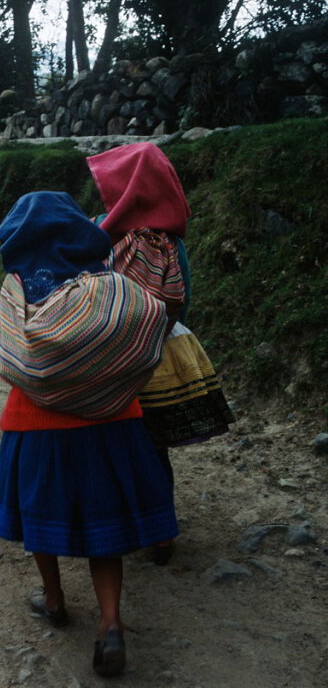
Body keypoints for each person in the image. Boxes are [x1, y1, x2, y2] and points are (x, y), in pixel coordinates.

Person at [0, 191, 178, 676]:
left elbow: (5, 360)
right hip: (111, 422)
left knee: (38, 518)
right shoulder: (109, 282)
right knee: (105, 530)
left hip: (37, 425)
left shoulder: (19, 289)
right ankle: (110, 623)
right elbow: (147, 330)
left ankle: (53, 598)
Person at [87, 141, 234, 565]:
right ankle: (162, 533)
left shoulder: (100, 231)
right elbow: (182, 301)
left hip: (108, 355)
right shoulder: (172, 242)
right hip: (160, 356)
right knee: (156, 447)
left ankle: (117, 524)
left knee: (112, 439)